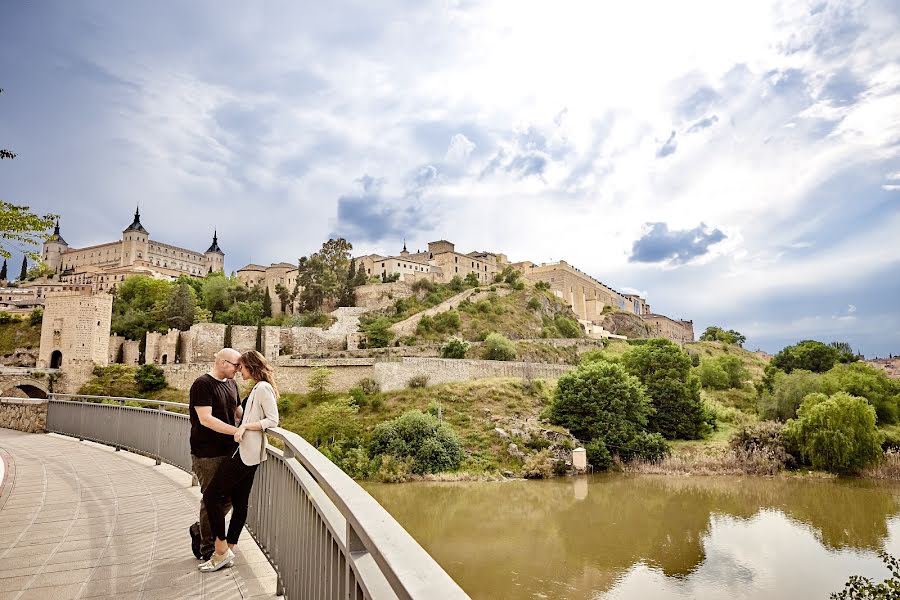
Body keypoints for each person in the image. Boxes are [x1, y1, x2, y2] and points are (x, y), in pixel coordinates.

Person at [199, 350, 280, 573]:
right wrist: (242, 420)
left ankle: (221, 550)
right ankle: (228, 550)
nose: (239, 370)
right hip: (250, 452)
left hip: (245, 452)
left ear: (251, 367)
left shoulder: (262, 387)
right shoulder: (258, 387)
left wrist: (244, 426)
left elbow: (273, 420)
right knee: (240, 500)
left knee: (211, 495)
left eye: (241, 367)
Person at [188, 348, 243, 562]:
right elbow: (206, 419)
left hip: (228, 450)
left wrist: (259, 422)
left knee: (229, 497)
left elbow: (238, 411)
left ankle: (201, 529)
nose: (238, 370)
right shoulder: (202, 384)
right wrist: (237, 431)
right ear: (222, 362)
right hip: (206, 452)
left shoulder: (231, 384)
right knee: (211, 498)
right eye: (235, 365)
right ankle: (207, 548)